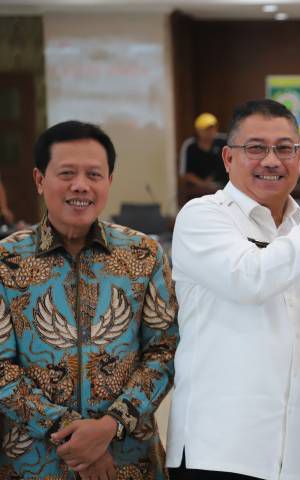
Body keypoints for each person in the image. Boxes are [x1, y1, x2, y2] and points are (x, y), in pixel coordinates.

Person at [166, 99, 300, 480]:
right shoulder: (203, 217)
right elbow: (252, 279)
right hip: (220, 456)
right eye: (256, 148)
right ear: (228, 158)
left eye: (283, 149)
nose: (271, 160)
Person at [0, 120, 179, 479]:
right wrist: (74, 437)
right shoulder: (7, 261)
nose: (80, 185)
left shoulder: (143, 254)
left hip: (129, 460)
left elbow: (165, 351)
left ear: (109, 181)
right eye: (66, 173)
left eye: (94, 174)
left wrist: (109, 427)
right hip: (33, 463)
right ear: (40, 180)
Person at [178, 112, 229, 196]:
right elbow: (185, 174)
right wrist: (204, 184)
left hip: (223, 188)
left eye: (212, 128)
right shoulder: (190, 146)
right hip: (198, 191)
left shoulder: (224, 141)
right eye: (206, 129)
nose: (210, 132)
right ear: (198, 130)